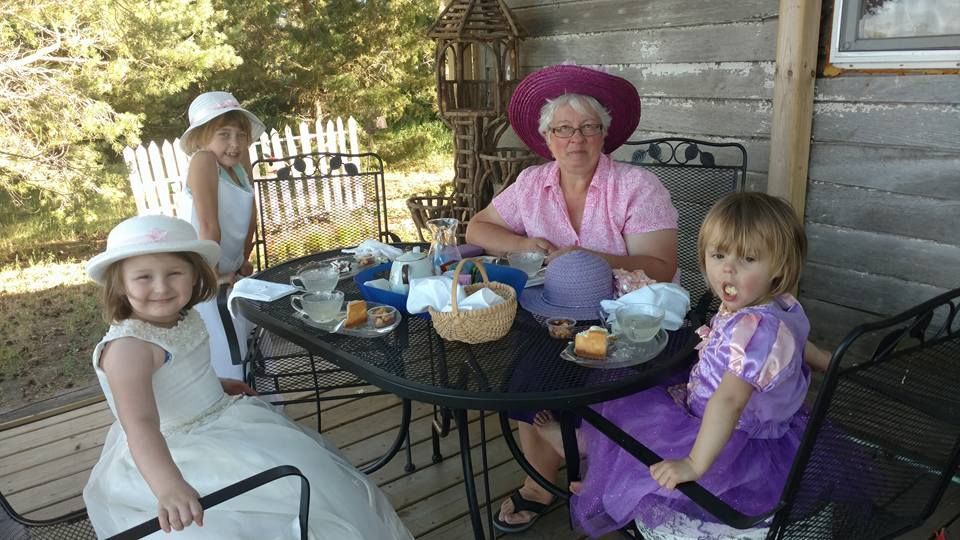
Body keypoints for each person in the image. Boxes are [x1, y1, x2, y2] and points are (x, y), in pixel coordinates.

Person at [81, 215, 413, 540]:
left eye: (174, 273)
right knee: (240, 518)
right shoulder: (129, 349)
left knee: (306, 478)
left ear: (194, 275)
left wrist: (215, 386)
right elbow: (140, 424)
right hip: (169, 452)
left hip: (222, 420)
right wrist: (169, 486)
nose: (161, 287)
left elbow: (175, 377)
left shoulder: (182, 316)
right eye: (143, 277)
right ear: (120, 284)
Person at [464, 64, 680, 533]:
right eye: (563, 128)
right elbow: (477, 228)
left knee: (606, 389)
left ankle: (606, 474)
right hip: (554, 314)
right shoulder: (532, 184)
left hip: (630, 318)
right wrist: (524, 243)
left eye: (588, 127)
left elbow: (661, 266)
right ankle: (541, 483)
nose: (575, 139)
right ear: (547, 138)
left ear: (605, 134)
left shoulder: (636, 187)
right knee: (526, 378)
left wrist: (589, 257)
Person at [562, 192, 812, 539]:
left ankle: (610, 492)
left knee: (644, 436)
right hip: (716, 409)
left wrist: (693, 463)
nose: (728, 269)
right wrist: (833, 363)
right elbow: (802, 346)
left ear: (779, 268)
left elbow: (730, 401)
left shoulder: (756, 328)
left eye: (748, 259)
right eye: (718, 255)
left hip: (727, 437)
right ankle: (601, 476)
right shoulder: (781, 306)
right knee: (631, 406)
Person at [179, 91, 263, 380]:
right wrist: (210, 275)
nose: (235, 143)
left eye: (241, 135)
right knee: (226, 354)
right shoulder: (203, 160)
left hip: (230, 268)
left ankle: (251, 393)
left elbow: (250, 215)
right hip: (205, 270)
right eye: (224, 134)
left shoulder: (240, 163)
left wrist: (242, 258)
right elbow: (208, 226)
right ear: (201, 136)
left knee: (246, 347)